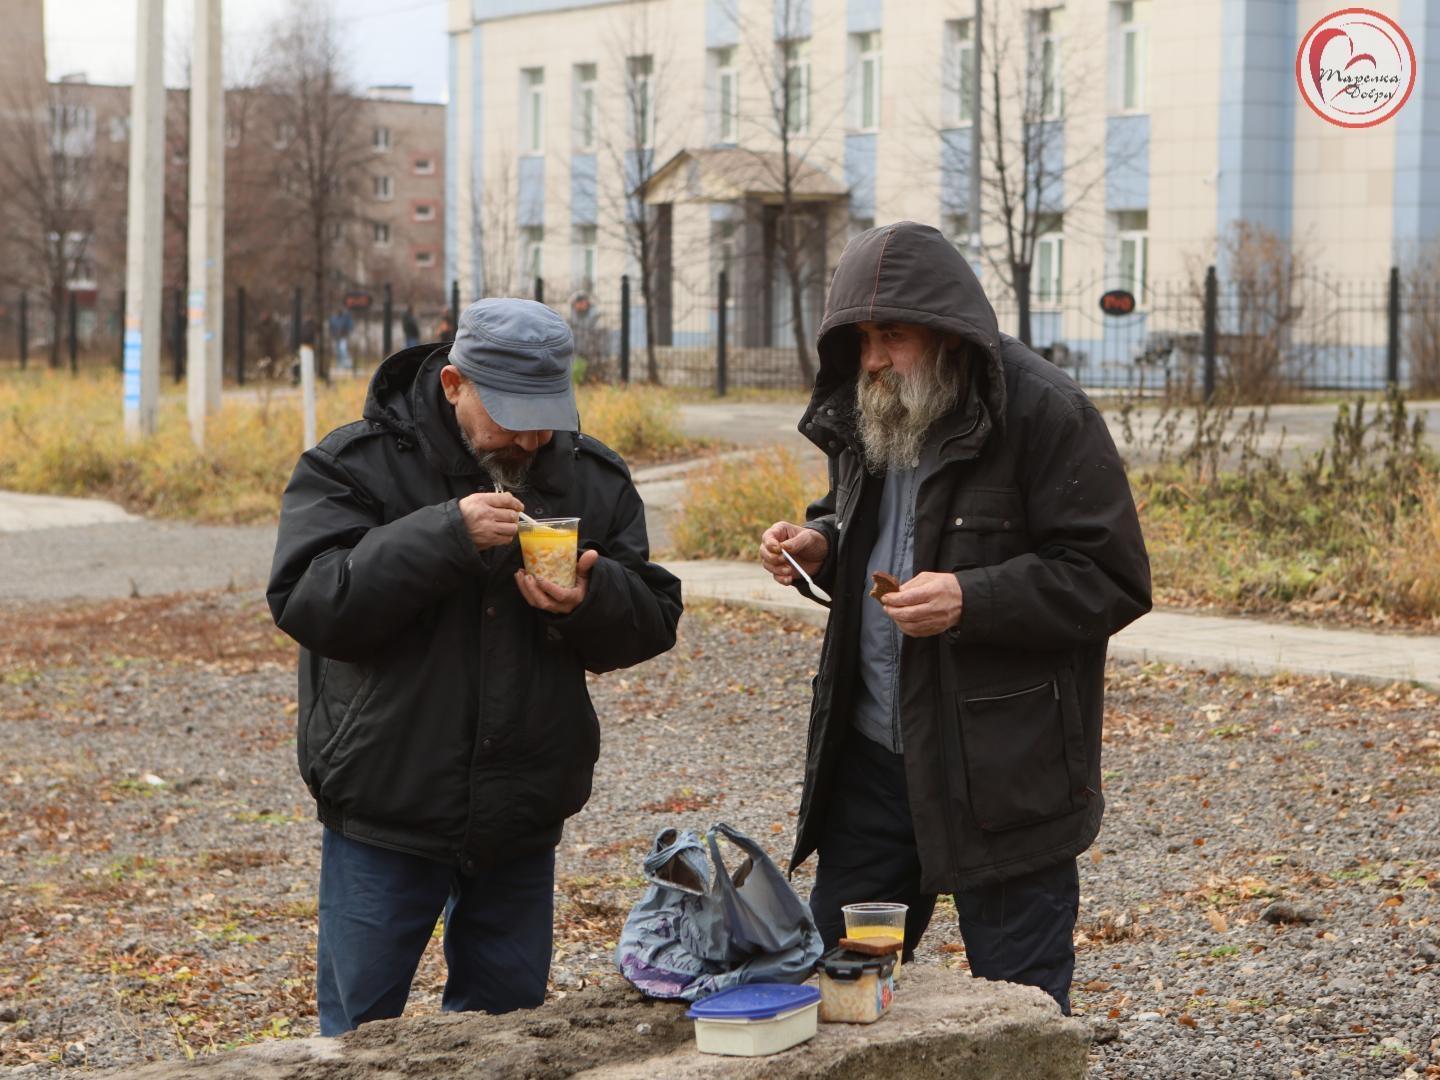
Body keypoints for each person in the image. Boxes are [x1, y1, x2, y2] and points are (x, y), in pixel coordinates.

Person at [759, 221, 1151, 1015]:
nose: (873, 359)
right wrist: (822, 544)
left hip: (1003, 777)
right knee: (843, 1000)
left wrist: (972, 599)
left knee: (1018, 1011)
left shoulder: (1046, 412)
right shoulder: (874, 407)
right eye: (862, 338)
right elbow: (868, 523)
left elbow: (1110, 578)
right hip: (872, 764)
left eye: (892, 337)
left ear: (948, 333)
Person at [268, 297, 683, 1035]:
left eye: (545, 416)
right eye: (511, 414)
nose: (529, 436)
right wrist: (442, 536)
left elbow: (653, 619)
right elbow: (309, 601)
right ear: (454, 383)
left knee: (509, 1039)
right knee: (358, 1038)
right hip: (387, 799)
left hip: (522, 810)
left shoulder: (590, 477)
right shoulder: (353, 464)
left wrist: (588, 600)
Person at [329, 305, 355, 372]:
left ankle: (346, 364)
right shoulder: (333, 318)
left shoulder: (345, 317)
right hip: (336, 337)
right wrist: (332, 334)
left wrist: (348, 332)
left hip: (343, 336)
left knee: (343, 350)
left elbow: (350, 326)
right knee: (338, 351)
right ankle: (339, 365)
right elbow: (331, 327)